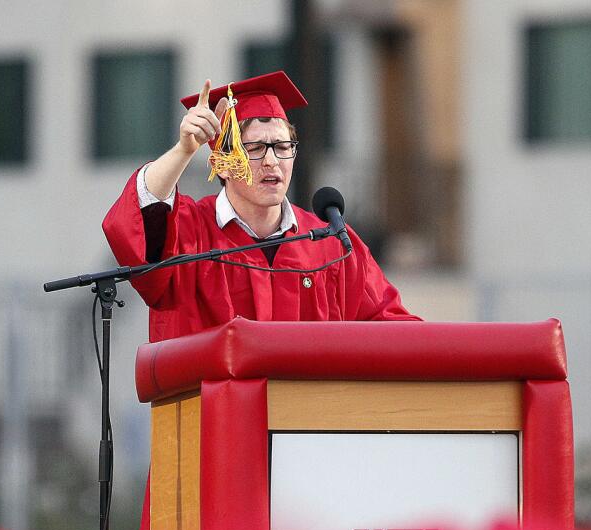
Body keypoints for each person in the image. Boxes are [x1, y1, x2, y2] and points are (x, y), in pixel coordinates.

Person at [102, 71, 419, 342]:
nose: (271, 161)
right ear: (222, 165)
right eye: (254, 148)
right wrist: (184, 150)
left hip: (307, 414)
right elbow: (140, 224)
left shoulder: (329, 242)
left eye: (282, 147)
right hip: (212, 412)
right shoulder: (188, 233)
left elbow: (389, 326)